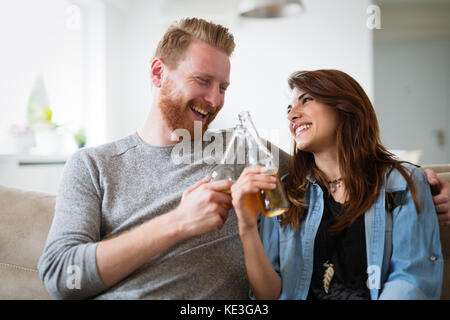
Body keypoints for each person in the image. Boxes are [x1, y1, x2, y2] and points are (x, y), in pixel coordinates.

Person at [38, 17, 449, 300]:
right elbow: (61, 277)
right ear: (157, 73)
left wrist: (426, 183)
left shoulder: (247, 151)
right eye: (203, 81)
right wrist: (176, 224)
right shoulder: (93, 165)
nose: (215, 100)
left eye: (223, 87)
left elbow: (335, 170)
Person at [232, 69, 444, 300]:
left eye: (306, 100)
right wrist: (247, 226)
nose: (293, 115)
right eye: (289, 109)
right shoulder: (284, 193)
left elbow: (412, 279)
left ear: (344, 106)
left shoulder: (403, 182)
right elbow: (269, 296)